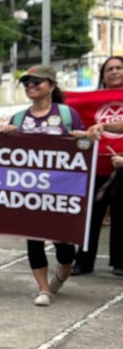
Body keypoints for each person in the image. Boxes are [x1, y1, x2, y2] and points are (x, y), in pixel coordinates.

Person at [3, 65, 84, 307]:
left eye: (37, 82)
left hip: (61, 192)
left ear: (51, 86)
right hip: (30, 191)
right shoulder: (19, 118)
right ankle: (44, 289)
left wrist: (84, 137)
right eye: (27, 82)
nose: (31, 85)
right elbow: (6, 155)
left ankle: (61, 273)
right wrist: (7, 136)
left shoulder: (67, 115)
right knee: (34, 240)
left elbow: (83, 147)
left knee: (65, 248)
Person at [71, 55, 123, 277]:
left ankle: (120, 262)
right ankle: (83, 262)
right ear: (102, 75)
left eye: (119, 68)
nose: (114, 72)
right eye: (109, 69)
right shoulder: (89, 101)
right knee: (91, 215)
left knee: (121, 214)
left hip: (122, 164)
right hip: (97, 165)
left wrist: (105, 124)